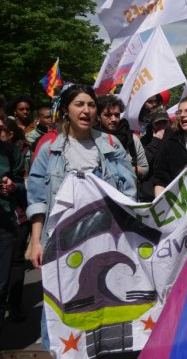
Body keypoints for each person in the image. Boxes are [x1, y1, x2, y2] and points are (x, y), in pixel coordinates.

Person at [25, 85, 136, 348]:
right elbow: (38, 199)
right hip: (60, 241)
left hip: (104, 239)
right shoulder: (49, 149)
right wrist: (36, 240)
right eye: (78, 104)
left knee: (103, 298)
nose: (86, 110)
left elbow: (129, 194)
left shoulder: (112, 145)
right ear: (66, 109)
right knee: (59, 302)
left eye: (91, 104)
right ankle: (58, 350)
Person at [0, 121, 25, 333]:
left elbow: (23, 184)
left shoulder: (10, 151)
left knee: (2, 285)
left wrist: (14, 186)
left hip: (5, 224)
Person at [96, 95, 149, 179]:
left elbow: (145, 168)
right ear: (98, 117)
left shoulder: (132, 139)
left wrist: (127, 169)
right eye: (108, 115)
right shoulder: (92, 139)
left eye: (117, 115)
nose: (113, 119)